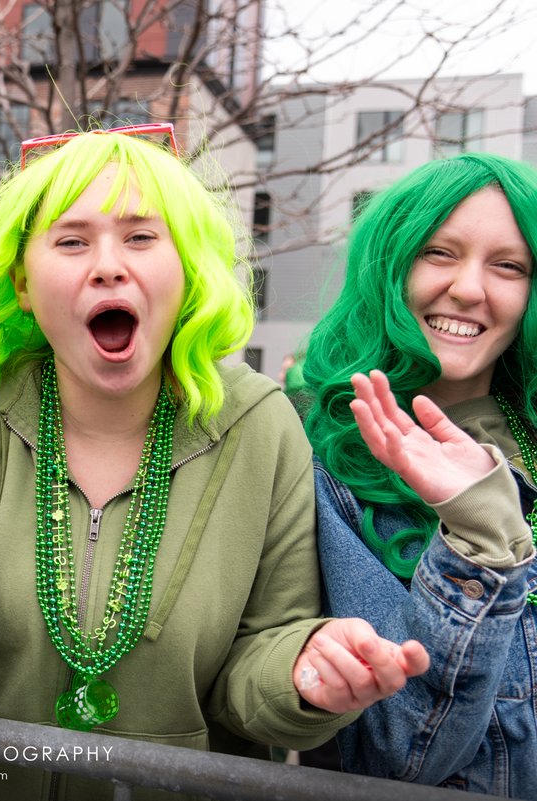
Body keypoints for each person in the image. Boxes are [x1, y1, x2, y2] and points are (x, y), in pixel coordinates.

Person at [0, 126, 427, 800]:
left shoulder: (259, 425)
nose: (108, 266)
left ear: (188, 269)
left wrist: (302, 671)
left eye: (141, 237)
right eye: (71, 241)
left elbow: (256, 669)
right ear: (23, 283)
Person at [303, 153, 537, 797]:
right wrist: (479, 540)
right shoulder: (318, 468)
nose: (468, 289)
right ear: (389, 267)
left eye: (509, 265)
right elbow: (399, 756)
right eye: (439, 253)